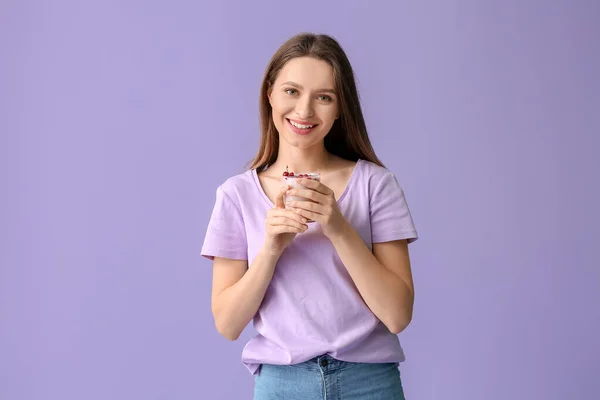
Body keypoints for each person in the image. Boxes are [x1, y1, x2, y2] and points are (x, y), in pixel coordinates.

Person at [201, 32, 418, 400]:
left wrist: (338, 227)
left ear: (339, 108)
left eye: (324, 97)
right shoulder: (236, 195)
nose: (304, 111)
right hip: (282, 384)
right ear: (269, 93)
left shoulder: (376, 185)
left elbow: (397, 315)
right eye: (291, 91)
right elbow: (228, 323)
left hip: (369, 383)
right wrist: (270, 249)